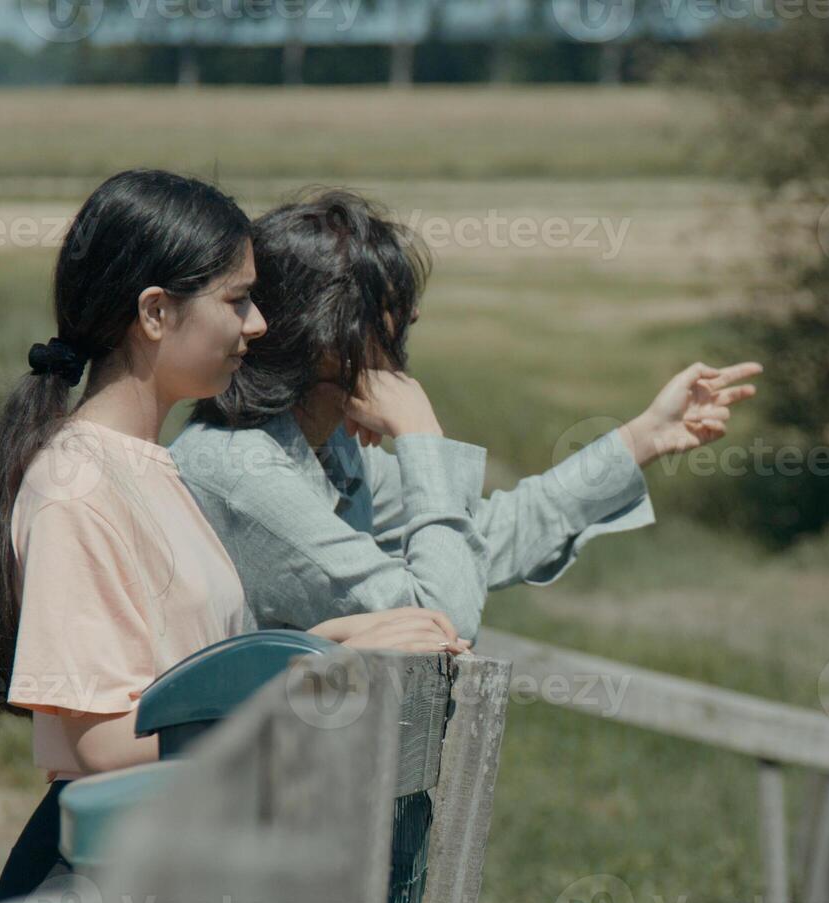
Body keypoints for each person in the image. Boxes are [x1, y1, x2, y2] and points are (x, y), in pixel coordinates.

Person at [0, 171, 466, 903]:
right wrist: (325, 675)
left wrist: (343, 641)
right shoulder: (78, 488)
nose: (257, 326)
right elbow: (104, 746)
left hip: (165, 870)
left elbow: (193, 676)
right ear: (155, 313)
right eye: (237, 300)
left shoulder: (149, 468)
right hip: (103, 887)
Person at [170, 189, 761, 641]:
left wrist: (641, 438)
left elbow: (476, 537)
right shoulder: (248, 475)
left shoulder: (325, 448)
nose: (412, 320)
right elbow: (440, 618)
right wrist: (422, 437)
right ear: (330, 331)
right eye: (391, 308)